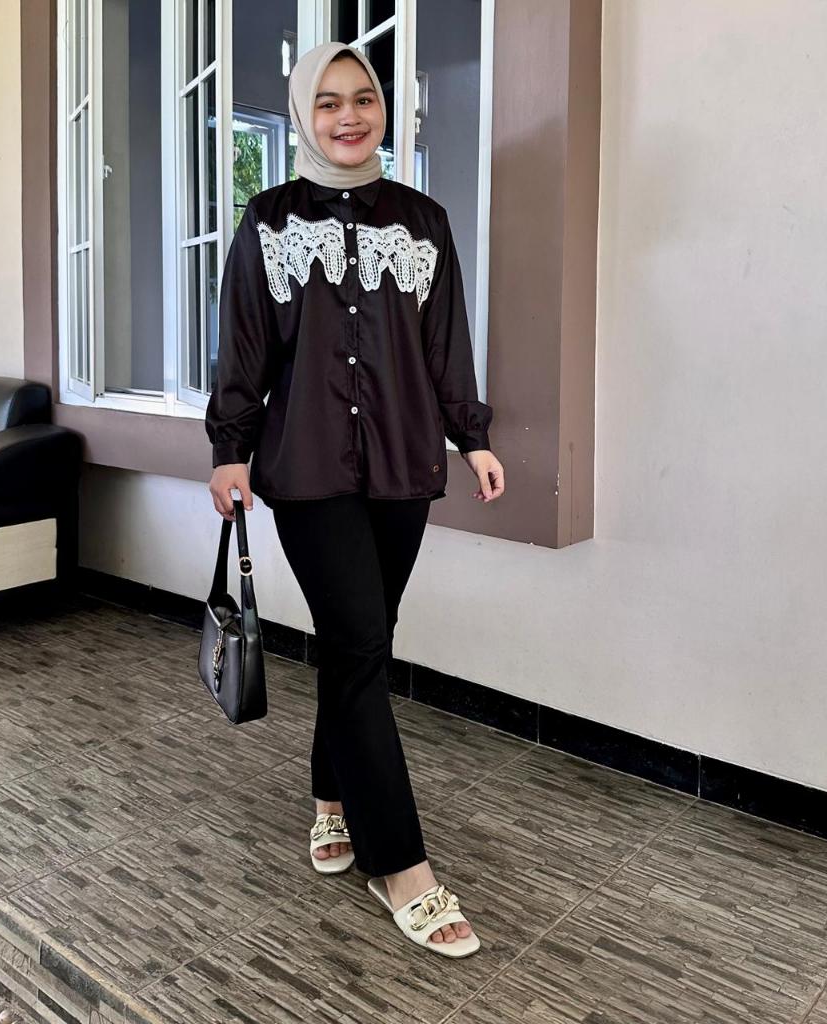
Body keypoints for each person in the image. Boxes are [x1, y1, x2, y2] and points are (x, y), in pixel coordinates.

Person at [206, 40, 504, 957]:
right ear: (304, 114)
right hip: (306, 472)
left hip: (404, 466)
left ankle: (330, 799)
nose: (347, 116)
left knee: (359, 645)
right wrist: (229, 450)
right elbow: (244, 346)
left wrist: (473, 435)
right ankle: (401, 866)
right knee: (364, 648)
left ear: (386, 110)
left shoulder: (424, 221)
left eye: (363, 98)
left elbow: (445, 343)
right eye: (328, 101)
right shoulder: (267, 220)